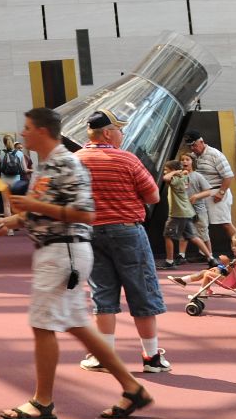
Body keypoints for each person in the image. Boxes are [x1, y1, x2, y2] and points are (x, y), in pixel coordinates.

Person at [0, 108, 151, 419]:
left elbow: (84, 213)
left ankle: (43, 401)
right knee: (77, 323)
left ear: (42, 131)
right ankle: (132, 388)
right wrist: (15, 217)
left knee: (43, 324)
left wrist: (34, 206)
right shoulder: (49, 165)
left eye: (27, 128)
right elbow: (49, 208)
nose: (22, 134)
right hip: (60, 252)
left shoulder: (66, 162)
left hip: (63, 252)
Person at [73, 111, 170, 375]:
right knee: (142, 291)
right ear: (107, 133)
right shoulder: (127, 159)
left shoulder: (74, 161)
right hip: (128, 231)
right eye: (119, 130)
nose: (122, 134)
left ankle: (104, 357)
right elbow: (153, 196)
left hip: (90, 233)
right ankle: (151, 358)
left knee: (102, 294)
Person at [186, 132, 236, 264]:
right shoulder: (192, 156)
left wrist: (220, 193)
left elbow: (228, 175)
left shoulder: (215, 154)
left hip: (216, 191)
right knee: (201, 225)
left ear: (201, 142)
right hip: (203, 194)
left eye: (194, 145)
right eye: (190, 146)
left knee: (225, 223)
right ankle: (205, 254)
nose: (193, 148)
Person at [161, 154, 215, 268]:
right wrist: (179, 172)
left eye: (166, 170)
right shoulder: (184, 177)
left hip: (178, 213)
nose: (165, 172)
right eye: (183, 160)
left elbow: (166, 178)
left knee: (168, 236)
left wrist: (175, 172)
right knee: (192, 236)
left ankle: (169, 261)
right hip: (187, 212)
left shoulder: (175, 180)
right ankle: (210, 258)